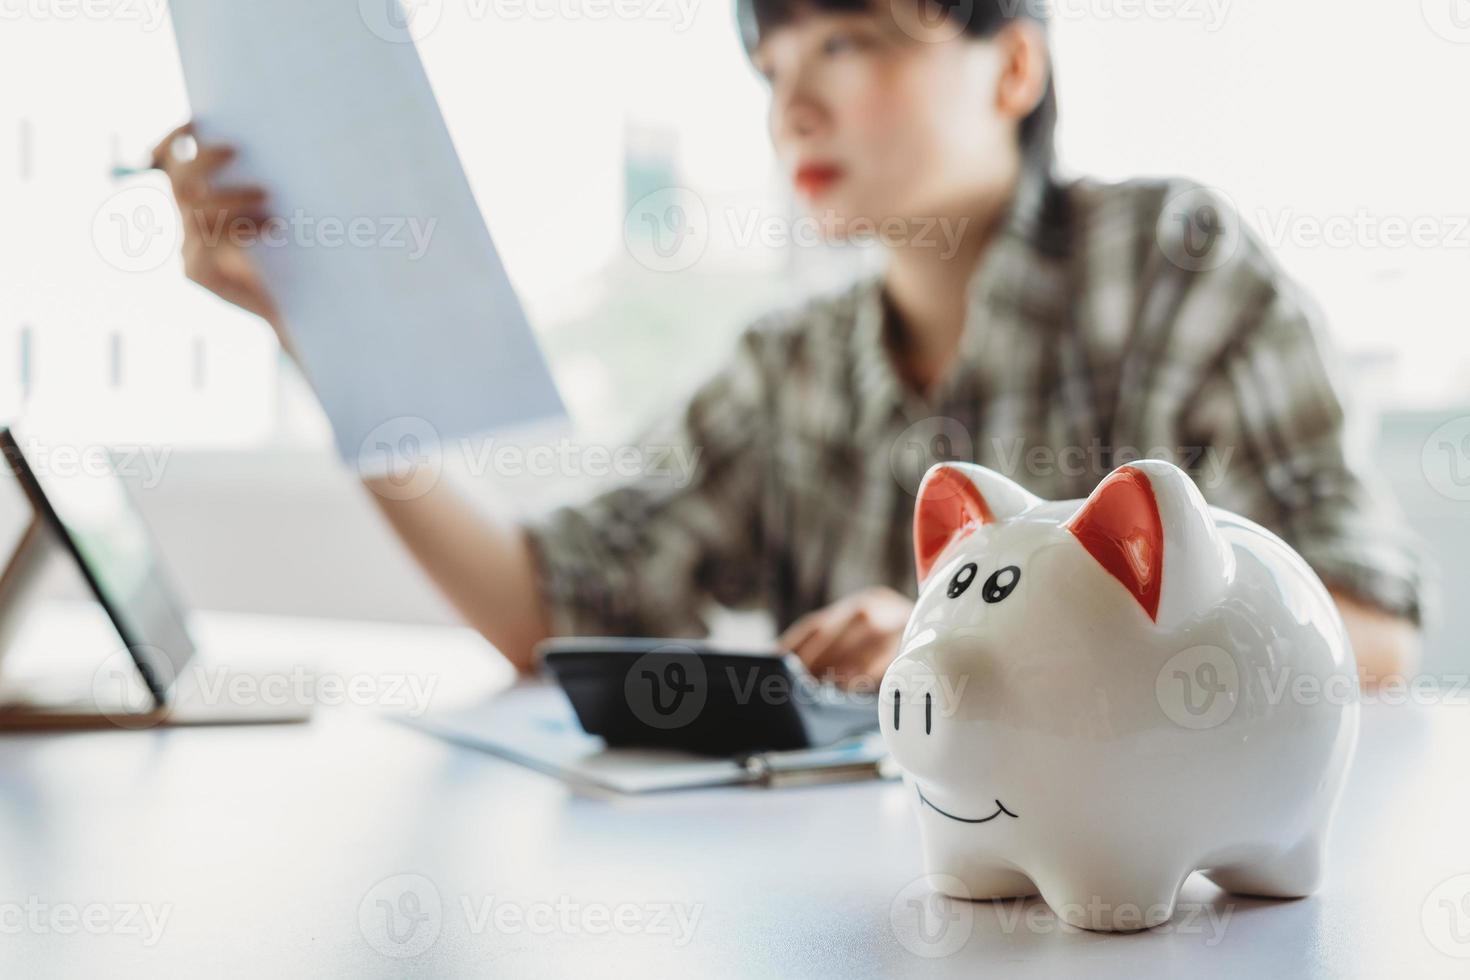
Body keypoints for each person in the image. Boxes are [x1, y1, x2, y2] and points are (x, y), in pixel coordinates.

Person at [152, 0, 1424, 688]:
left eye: (851, 40)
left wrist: (972, 637)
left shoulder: (1172, 262)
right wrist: (311, 326)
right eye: (773, 66)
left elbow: (1361, 628)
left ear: (1013, 67)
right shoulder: (790, 363)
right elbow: (550, 610)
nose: (794, 100)